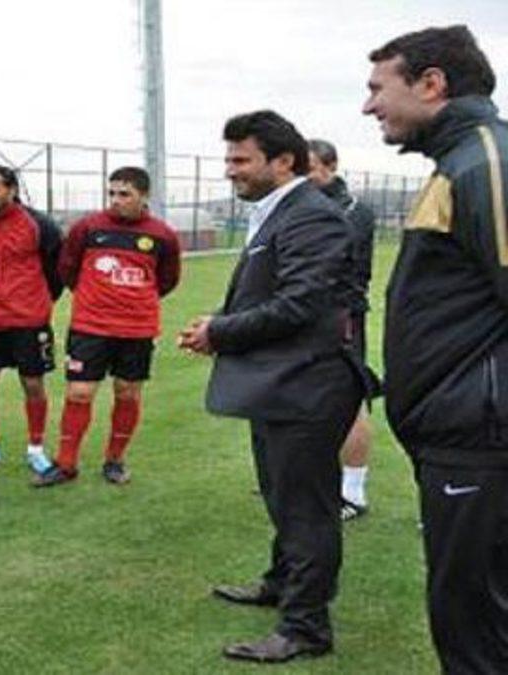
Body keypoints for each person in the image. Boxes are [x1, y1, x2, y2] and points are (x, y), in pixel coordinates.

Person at [178, 111, 366, 663]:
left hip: (308, 385)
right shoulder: (283, 210)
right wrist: (222, 322)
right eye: (228, 158)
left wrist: (220, 331)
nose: (230, 170)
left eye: (241, 159)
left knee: (307, 508)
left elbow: (300, 303)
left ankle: (306, 627)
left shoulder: (312, 215)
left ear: (284, 161)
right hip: (281, 382)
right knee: (283, 496)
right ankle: (282, 583)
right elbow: (274, 296)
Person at [363, 25, 507, 672]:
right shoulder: (461, 161)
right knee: (469, 614)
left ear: (431, 84)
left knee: (474, 627)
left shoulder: (488, 161)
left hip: (480, 439)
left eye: (378, 88)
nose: (369, 105)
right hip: (464, 435)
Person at [33, 166, 181, 488]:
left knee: (127, 391)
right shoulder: (87, 227)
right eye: (111, 193)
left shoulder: (163, 235)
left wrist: (135, 300)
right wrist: (93, 297)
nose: (115, 200)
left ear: (144, 195)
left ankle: (114, 460)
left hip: (137, 329)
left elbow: (167, 280)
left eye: (124, 194)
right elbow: (67, 269)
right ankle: (66, 464)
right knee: (79, 392)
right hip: (90, 326)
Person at [0, 165, 62, 476]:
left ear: (12, 190)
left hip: (28, 320)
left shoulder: (38, 225)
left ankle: (36, 449)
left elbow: (57, 270)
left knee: (33, 383)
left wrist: (37, 302)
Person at [306, 139, 378, 520]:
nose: (303, 177)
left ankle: (353, 492)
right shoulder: (302, 206)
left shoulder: (352, 210)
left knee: (348, 398)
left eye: (309, 168)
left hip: (340, 315)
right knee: (303, 396)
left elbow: (332, 268)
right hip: (304, 315)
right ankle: (306, 476)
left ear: (331, 167)